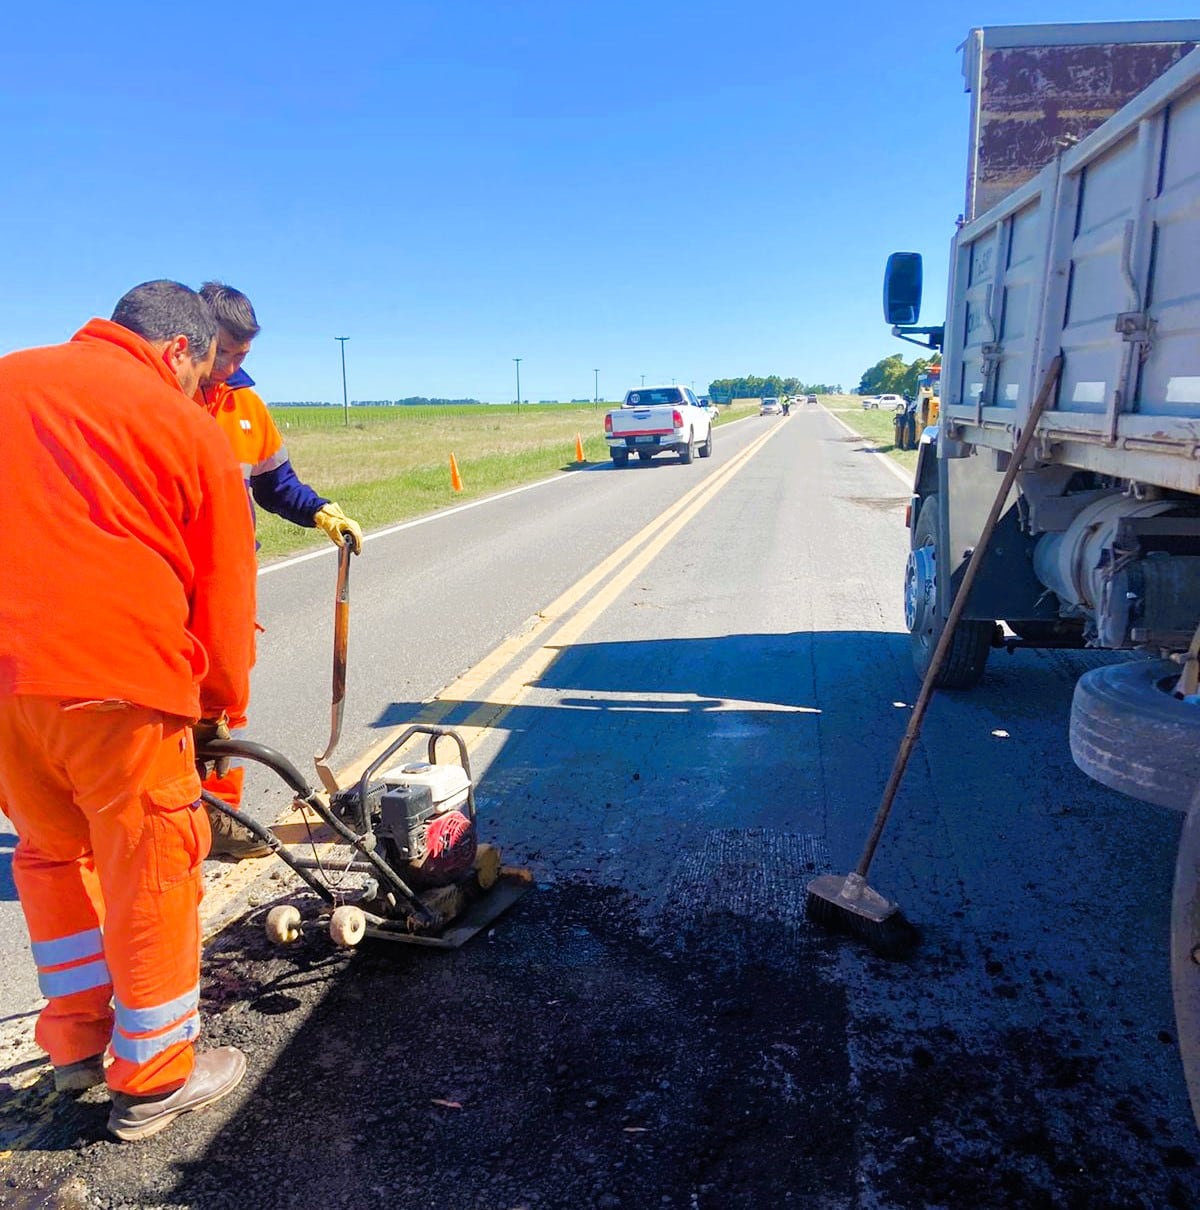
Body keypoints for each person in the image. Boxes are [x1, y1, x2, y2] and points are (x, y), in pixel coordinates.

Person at [0, 281, 258, 1141]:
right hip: (117, 683)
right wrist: (220, 705)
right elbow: (222, 596)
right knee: (149, 862)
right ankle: (153, 1077)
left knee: (49, 850)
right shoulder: (182, 424)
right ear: (180, 351)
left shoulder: (9, 378)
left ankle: (75, 1036)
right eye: (202, 369)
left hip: (6, 690)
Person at [194, 282, 363, 859]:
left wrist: (319, 509)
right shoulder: (164, 398)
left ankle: (217, 818)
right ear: (193, 338)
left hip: (229, 579)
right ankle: (156, 816)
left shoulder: (246, 406)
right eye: (226, 353)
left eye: (245, 355)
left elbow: (274, 485)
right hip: (167, 579)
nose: (235, 366)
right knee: (164, 706)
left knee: (224, 702)